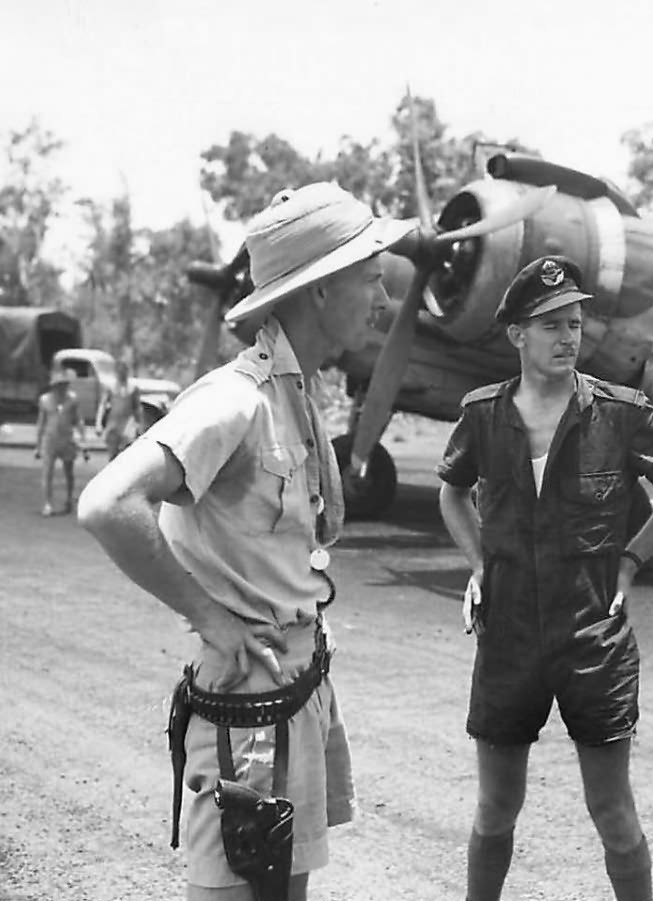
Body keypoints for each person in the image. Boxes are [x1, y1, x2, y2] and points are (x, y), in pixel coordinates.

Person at [78, 182, 399, 901]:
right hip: (247, 706)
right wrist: (211, 619)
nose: (383, 299)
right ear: (320, 288)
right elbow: (107, 503)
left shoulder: (296, 392)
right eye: (371, 278)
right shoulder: (236, 398)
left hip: (296, 686)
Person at [437, 255, 653, 901]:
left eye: (575, 323)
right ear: (517, 334)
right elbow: (452, 493)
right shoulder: (483, 415)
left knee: (612, 811)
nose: (567, 337)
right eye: (550, 324)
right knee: (495, 808)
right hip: (508, 639)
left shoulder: (619, 413)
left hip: (593, 640)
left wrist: (629, 562)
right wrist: (480, 563)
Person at [35, 366, 88, 516]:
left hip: (67, 439)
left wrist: (83, 439)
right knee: (47, 472)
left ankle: (69, 499)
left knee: (68, 471)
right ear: (54, 386)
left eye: (64, 385)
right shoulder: (45, 400)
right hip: (50, 439)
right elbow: (41, 423)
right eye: (59, 385)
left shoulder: (72, 399)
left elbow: (78, 420)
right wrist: (38, 445)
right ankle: (48, 503)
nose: (62, 388)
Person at [98, 359, 143, 461]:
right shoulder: (110, 388)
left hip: (127, 425)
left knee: (126, 456)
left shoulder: (133, 389)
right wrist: (98, 424)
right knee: (112, 456)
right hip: (113, 425)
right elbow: (102, 405)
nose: (122, 374)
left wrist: (139, 425)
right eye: (119, 371)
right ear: (116, 373)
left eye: (124, 371)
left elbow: (137, 409)